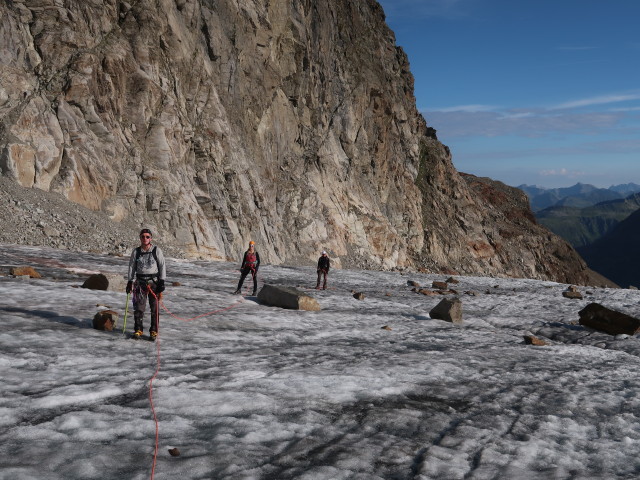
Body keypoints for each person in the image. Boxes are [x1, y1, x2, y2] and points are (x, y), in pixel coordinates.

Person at [126, 228, 166, 340]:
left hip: (154, 283)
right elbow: (131, 267)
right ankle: (138, 329)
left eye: (147, 236)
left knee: (154, 308)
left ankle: (154, 331)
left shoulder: (156, 250)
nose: (145, 238)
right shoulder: (136, 251)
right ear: (140, 238)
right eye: (143, 236)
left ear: (151, 238)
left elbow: (162, 265)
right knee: (138, 308)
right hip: (140, 283)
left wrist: (162, 281)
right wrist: (130, 281)